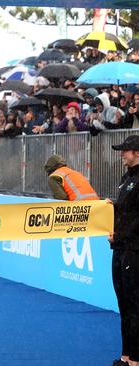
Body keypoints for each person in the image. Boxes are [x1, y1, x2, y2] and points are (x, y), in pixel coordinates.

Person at [109, 135, 139, 366]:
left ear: (137, 152)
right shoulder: (125, 178)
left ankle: (136, 359)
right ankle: (126, 355)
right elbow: (125, 211)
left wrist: (120, 234)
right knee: (124, 305)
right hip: (119, 248)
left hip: (134, 250)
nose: (122, 154)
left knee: (134, 305)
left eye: (125, 151)